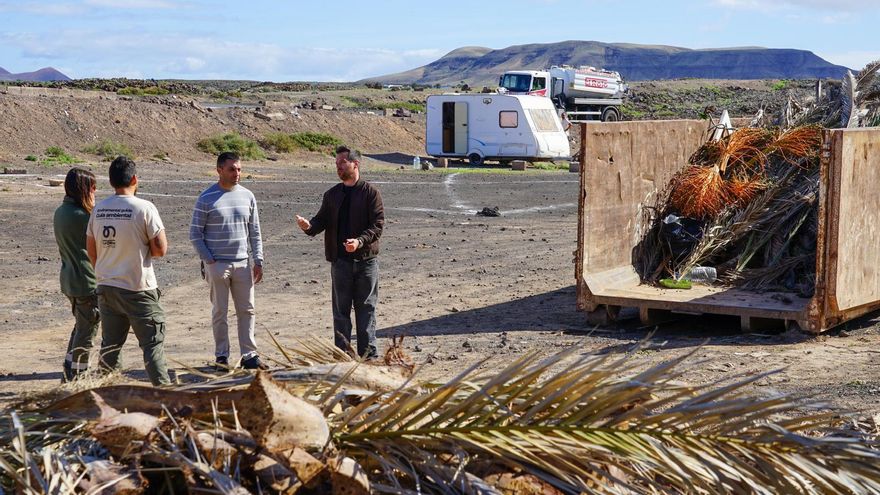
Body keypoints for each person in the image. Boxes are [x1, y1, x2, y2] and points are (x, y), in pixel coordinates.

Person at [86, 156, 170, 386]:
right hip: (138, 288)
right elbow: (161, 249)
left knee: (110, 346)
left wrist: (105, 270)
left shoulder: (99, 209)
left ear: (111, 181)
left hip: (107, 286)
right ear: (134, 179)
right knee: (152, 346)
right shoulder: (144, 207)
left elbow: (91, 250)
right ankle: (166, 397)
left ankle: (107, 394)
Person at [296, 146, 384, 359]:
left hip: (366, 263)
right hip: (341, 263)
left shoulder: (371, 193)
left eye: (342, 164)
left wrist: (359, 241)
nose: (338, 168)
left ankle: (368, 357)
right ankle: (342, 355)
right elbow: (321, 220)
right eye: (336, 165)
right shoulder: (332, 195)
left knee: (366, 311)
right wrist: (309, 226)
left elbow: (377, 225)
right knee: (340, 313)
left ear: (356, 164)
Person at [190, 152, 266, 370]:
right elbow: (195, 233)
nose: (237, 174)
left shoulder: (248, 196)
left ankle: (250, 356)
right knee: (220, 312)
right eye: (232, 169)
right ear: (219, 170)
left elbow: (255, 232)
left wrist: (258, 260)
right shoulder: (206, 198)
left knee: (247, 310)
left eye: (239, 169)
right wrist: (209, 260)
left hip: (243, 263)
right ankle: (222, 357)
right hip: (218, 265)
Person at [53, 167, 100, 381]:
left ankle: (68, 370)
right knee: (86, 332)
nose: (95, 191)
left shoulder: (61, 212)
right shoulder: (85, 216)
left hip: (70, 279)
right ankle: (78, 376)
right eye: (92, 187)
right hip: (86, 282)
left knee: (80, 328)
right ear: (84, 188)